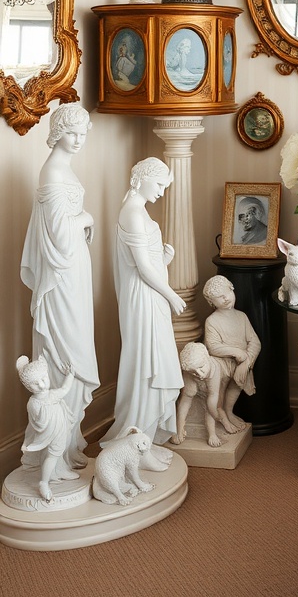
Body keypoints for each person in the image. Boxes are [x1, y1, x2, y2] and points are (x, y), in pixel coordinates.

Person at [20, 103, 99, 471]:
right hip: (62, 276)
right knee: (67, 349)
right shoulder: (52, 172)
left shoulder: (63, 167)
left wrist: (81, 221)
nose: (78, 140)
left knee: (77, 341)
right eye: (72, 133)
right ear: (57, 133)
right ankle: (56, 447)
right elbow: (61, 235)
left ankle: (69, 442)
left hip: (74, 271)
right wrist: (87, 217)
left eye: (83, 134)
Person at [100, 157, 185, 460]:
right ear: (143, 178)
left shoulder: (139, 211)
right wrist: (172, 295)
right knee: (144, 365)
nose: (161, 191)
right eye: (159, 184)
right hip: (143, 297)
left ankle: (145, 442)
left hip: (152, 294)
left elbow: (148, 264)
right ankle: (133, 440)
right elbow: (142, 269)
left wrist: (164, 260)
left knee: (155, 359)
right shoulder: (132, 213)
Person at [202, 275, 261, 429]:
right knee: (219, 391)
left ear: (232, 289)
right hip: (221, 363)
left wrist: (247, 362)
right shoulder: (212, 321)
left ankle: (229, 411)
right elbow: (213, 347)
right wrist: (237, 352)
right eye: (219, 297)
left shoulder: (241, 316)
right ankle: (221, 415)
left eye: (227, 293)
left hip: (240, 363)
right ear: (211, 302)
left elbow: (255, 342)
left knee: (236, 386)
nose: (225, 298)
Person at [17, 354, 78, 502]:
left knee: (61, 450)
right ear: (27, 386)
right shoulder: (34, 402)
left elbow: (65, 388)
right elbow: (37, 422)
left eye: (43, 379)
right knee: (52, 455)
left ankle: (60, 470)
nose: (41, 385)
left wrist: (70, 374)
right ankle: (44, 483)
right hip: (50, 433)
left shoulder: (51, 395)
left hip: (61, 429)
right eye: (35, 384)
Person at [171, 342, 246, 448]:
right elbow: (185, 400)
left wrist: (213, 433)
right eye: (193, 372)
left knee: (216, 404)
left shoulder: (214, 367)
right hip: (202, 382)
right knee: (188, 394)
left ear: (207, 359)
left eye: (201, 367)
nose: (199, 374)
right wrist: (179, 429)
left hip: (222, 378)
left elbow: (212, 402)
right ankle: (179, 430)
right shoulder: (190, 369)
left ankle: (218, 426)